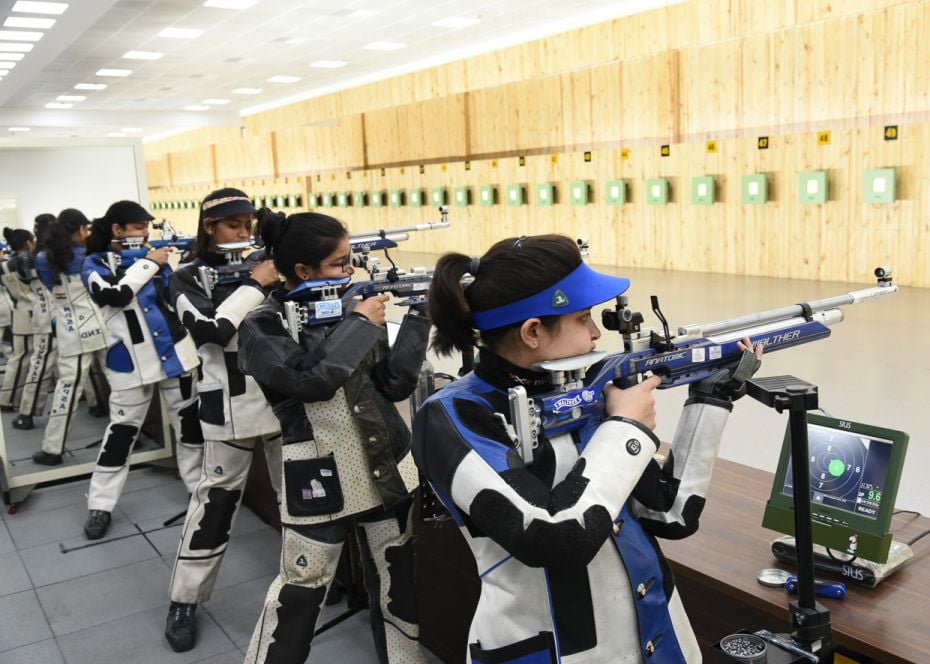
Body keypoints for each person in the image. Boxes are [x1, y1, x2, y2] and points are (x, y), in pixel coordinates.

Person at [411, 234, 763, 663]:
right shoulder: (453, 417)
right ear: (533, 331)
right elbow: (553, 538)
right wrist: (625, 427)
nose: (598, 333)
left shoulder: (584, 391)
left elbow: (671, 513)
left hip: (655, 638)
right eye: (584, 318)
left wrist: (712, 398)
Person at [237, 210, 429, 664]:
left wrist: (420, 316)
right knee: (300, 592)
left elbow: (394, 385)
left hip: (387, 466)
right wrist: (360, 323)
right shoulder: (261, 327)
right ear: (302, 271)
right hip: (319, 477)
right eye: (340, 263)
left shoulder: (348, 305)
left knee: (397, 582)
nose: (350, 272)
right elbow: (311, 382)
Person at [163, 189, 283, 652]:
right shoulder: (187, 276)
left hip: (281, 398)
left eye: (249, 223)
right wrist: (256, 283)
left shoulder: (267, 263)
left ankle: (305, 579)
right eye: (234, 224)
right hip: (227, 406)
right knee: (213, 509)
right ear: (210, 227)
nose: (244, 232)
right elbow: (211, 330)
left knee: (296, 502)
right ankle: (184, 600)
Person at [80, 200, 204, 540]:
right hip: (129, 365)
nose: (144, 232)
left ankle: (199, 493)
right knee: (120, 436)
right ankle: (100, 506)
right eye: (137, 227)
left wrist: (183, 263)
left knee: (190, 429)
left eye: (146, 226)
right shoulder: (93, 263)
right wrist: (150, 263)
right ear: (116, 230)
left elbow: (172, 295)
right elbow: (115, 295)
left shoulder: (152, 256)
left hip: (175, 356)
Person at [32, 209, 108, 465]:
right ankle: (131, 435)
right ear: (78, 230)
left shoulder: (43, 258)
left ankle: (53, 449)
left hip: (70, 330)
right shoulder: (90, 256)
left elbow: (46, 284)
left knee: (67, 389)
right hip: (100, 326)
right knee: (121, 387)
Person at [12, 213, 58, 431]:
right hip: (63, 313)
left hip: (43, 314)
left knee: (40, 365)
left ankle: (27, 413)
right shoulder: (60, 255)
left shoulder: (26, 258)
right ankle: (97, 404)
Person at [0, 227, 37, 410]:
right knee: (24, 357)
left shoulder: (5, 265)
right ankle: (9, 400)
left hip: (18, 312)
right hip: (33, 312)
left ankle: (8, 398)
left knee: (18, 357)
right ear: (28, 243)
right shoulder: (29, 260)